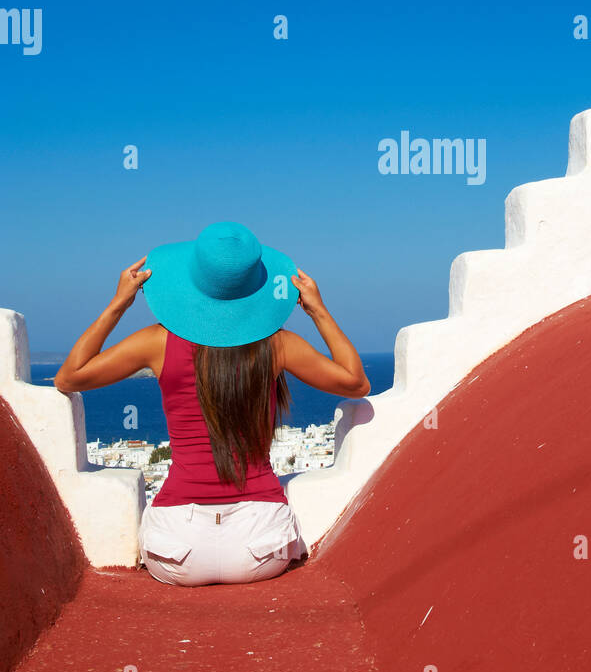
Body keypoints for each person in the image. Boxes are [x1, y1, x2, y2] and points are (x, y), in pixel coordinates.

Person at [53, 221, 370, 586]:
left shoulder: (157, 342)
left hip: (176, 549)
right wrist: (317, 310)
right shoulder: (279, 345)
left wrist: (118, 304)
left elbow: (69, 377)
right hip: (261, 546)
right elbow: (356, 382)